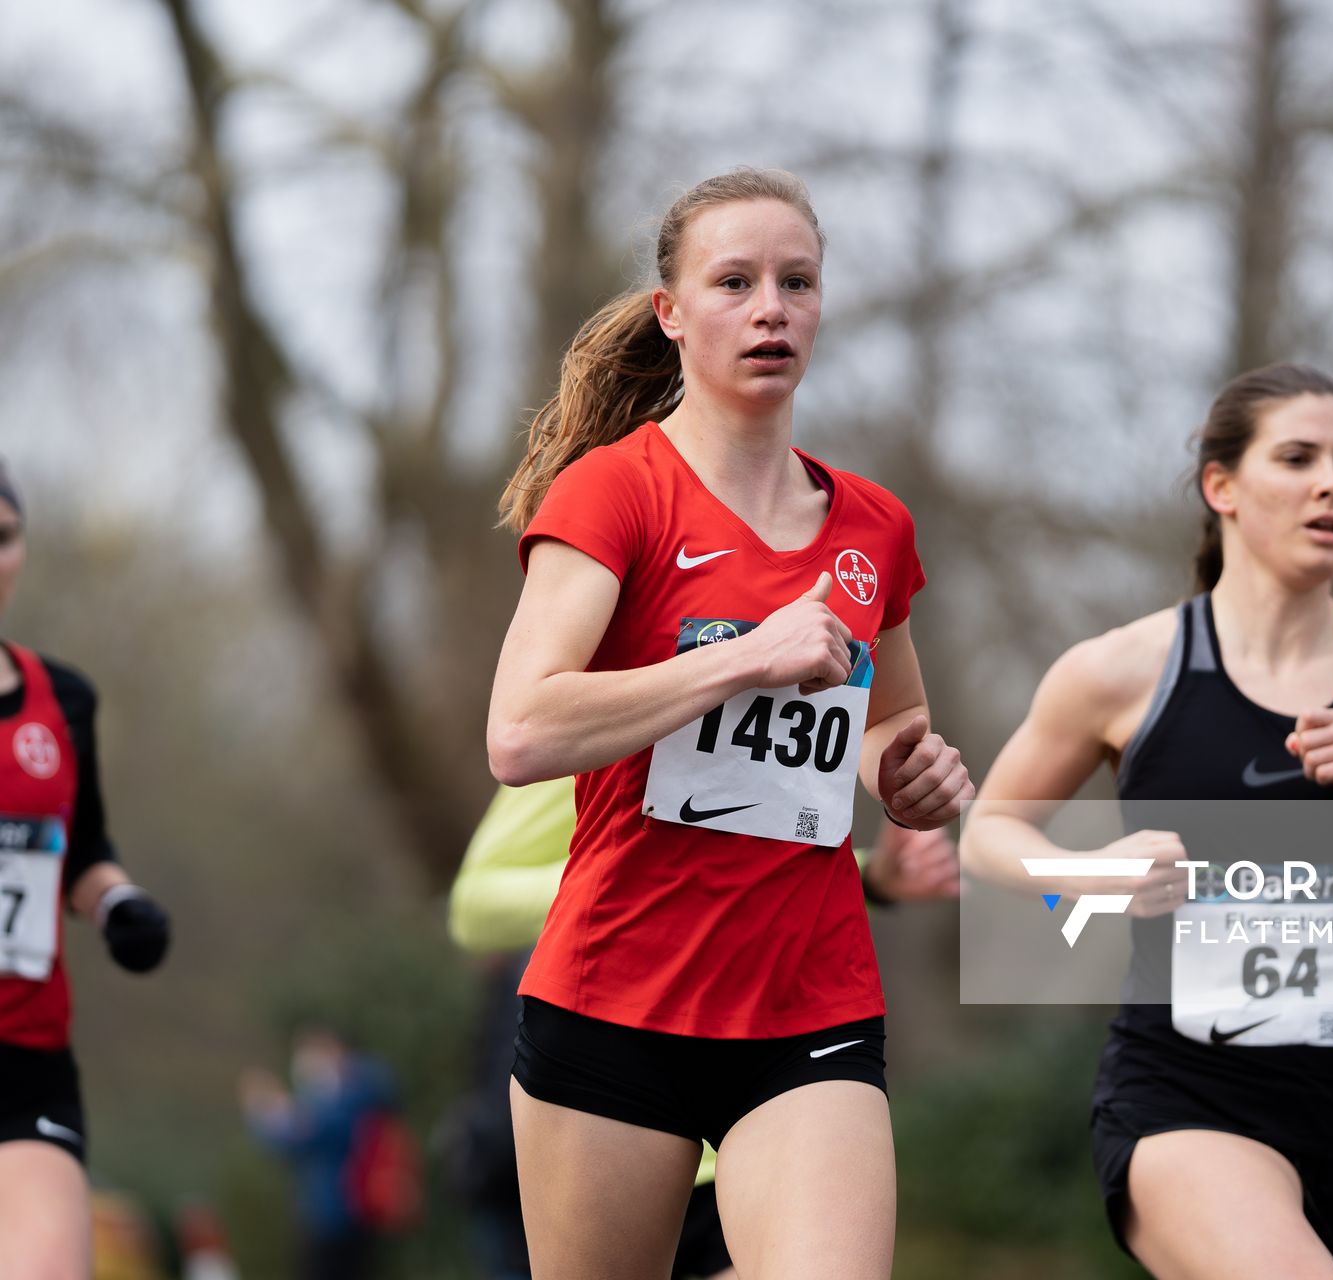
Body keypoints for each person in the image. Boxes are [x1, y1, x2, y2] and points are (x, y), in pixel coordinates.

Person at [486, 168, 971, 1279]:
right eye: (736, 281)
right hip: (616, 997)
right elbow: (519, 731)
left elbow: (890, 720)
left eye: (797, 282)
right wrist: (745, 655)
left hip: (809, 999)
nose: (771, 308)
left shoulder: (871, 526)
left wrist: (913, 779)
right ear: (673, 312)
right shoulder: (614, 494)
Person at [959, 364, 1333, 1280]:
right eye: (1297, 458)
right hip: (1185, 1093)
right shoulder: (1122, 671)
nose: (1332, 482)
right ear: (1221, 487)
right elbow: (989, 835)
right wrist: (1095, 876)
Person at [443, 777, 961, 1280]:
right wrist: (649, 877)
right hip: (616, 1103)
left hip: (764, 1111)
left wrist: (869, 872)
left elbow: (757, 863)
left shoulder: (820, 698)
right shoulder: (609, 700)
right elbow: (475, 906)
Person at [0, 458, 172, 1280]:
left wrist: (119, 904)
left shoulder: (63, 699)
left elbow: (83, 850)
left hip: (24, 1057)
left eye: (2, 536)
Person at [239, 1023, 401, 1280]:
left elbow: (305, 1136)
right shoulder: (339, 1095)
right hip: (339, 1211)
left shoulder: (347, 1095)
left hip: (338, 1212)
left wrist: (265, 1114)